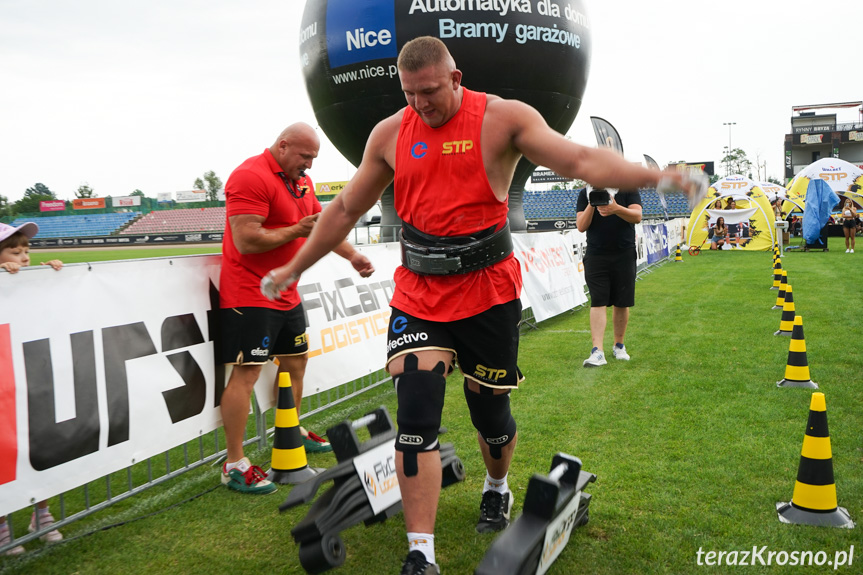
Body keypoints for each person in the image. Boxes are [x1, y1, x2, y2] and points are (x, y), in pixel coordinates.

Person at [261, 37, 698, 574]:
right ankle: (421, 553)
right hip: (419, 291)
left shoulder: (501, 119)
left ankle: (497, 483)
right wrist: (293, 267)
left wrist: (657, 178)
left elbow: (581, 159)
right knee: (416, 414)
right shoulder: (391, 134)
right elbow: (347, 207)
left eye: (428, 92)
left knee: (489, 413)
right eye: (409, 94)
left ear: (456, 78)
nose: (420, 104)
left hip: (488, 290)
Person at [218, 123, 375, 495]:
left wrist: (353, 256)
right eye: (305, 157)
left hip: (286, 292)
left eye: (313, 159)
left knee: (296, 362)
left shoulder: (300, 181)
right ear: (283, 146)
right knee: (247, 373)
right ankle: (234, 462)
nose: (309, 166)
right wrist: (294, 230)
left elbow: (320, 226)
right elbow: (245, 240)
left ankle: (291, 430)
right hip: (250, 293)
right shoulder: (249, 176)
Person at [0, 222, 64, 554]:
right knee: (5, 452)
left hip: (33, 377)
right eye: (15, 251)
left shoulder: (27, 280)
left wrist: (51, 276)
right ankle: (2, 524)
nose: (24, 257)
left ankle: (41, 514)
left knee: (40, 445)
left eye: (27, 251)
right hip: (4, 385)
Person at [576, 187, 641, 367]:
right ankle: (597, 351)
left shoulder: (628, 188)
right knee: (598, 300)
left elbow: (637, 216)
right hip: (596, 254)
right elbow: (581, 226)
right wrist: (592, 203)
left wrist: (615, 208)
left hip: (624, 252)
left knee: (622, 301)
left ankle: (619, 345)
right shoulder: (585, 193)